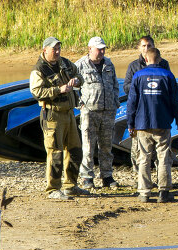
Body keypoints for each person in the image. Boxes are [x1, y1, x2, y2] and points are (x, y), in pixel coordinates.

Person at [28, 36, 87, 200]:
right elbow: (36, 92)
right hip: (52, 114)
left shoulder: (66, 63)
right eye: (54, 49)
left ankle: (71, 186)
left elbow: (80, 76)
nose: (57, 51)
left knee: (76, 150)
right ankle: (53, 188)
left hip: (69, 113)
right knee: (55, 152)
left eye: (59, 48)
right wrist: (58, 90)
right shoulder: (39, 70)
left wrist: (76, 81)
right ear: (45, 50)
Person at [126, 46, 178, 203]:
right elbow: (175, 101)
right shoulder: (168, 75)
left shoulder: (138, 76)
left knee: (143, 157)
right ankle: (163, 192)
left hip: (142, 124)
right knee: (164, 156)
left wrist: (130, 123)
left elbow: (132, 102)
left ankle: (144, 192)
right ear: (159, 59)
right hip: (162, 123)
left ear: (146, 59)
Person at [75, 35, 120, 190]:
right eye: (98, 49)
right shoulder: (80, 65)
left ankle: (107, 176)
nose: (101, 52)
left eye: (103, 49)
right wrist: (80, 104)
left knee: (106, 146)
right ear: (90, 49)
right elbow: (73, 88)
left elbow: (115, 84)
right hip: (90, 112)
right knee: (88, 146)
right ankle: (87, 177)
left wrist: (115, 102)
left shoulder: (109, 64)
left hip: (108, 112)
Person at [123, 35, 170, 172]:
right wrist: (142, 88)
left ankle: (160, 178)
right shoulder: (133, 66)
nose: (146, 48)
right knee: (139, 150)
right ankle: (141, 179)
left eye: (149, 45)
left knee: (160, 151)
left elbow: (169, 88)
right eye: (143, 46)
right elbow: (126, 87)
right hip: (140, 114)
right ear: (139, 48)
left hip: (158, 113)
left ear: (154, 46)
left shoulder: (163, 64)